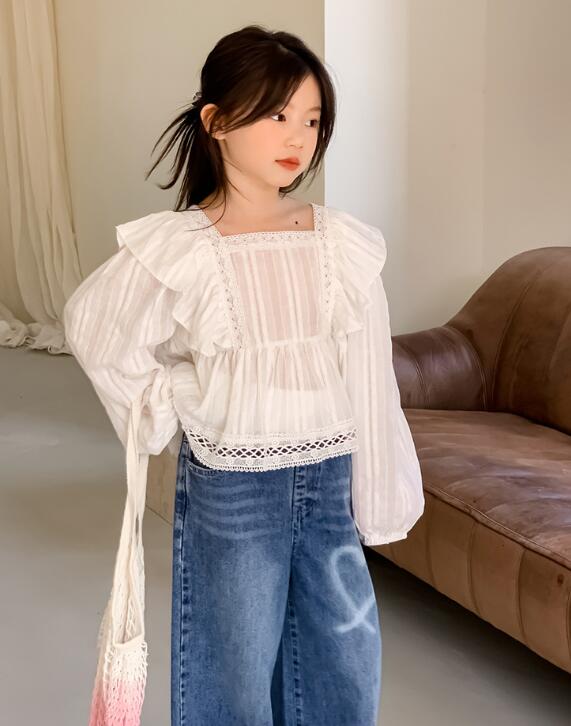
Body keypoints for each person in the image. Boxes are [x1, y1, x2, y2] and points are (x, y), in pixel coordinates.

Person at [63, 23, 425, 726]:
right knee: (231, 668)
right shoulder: (183, 247)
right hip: (233, 488)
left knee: (342, 663)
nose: (299, 137)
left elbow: (370, 382)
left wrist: (379, 499)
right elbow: (95, 326)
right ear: (217, 122)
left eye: (312, 119)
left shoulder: (341, 243)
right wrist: (177, 399)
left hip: (328, 479)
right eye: (277, 115)